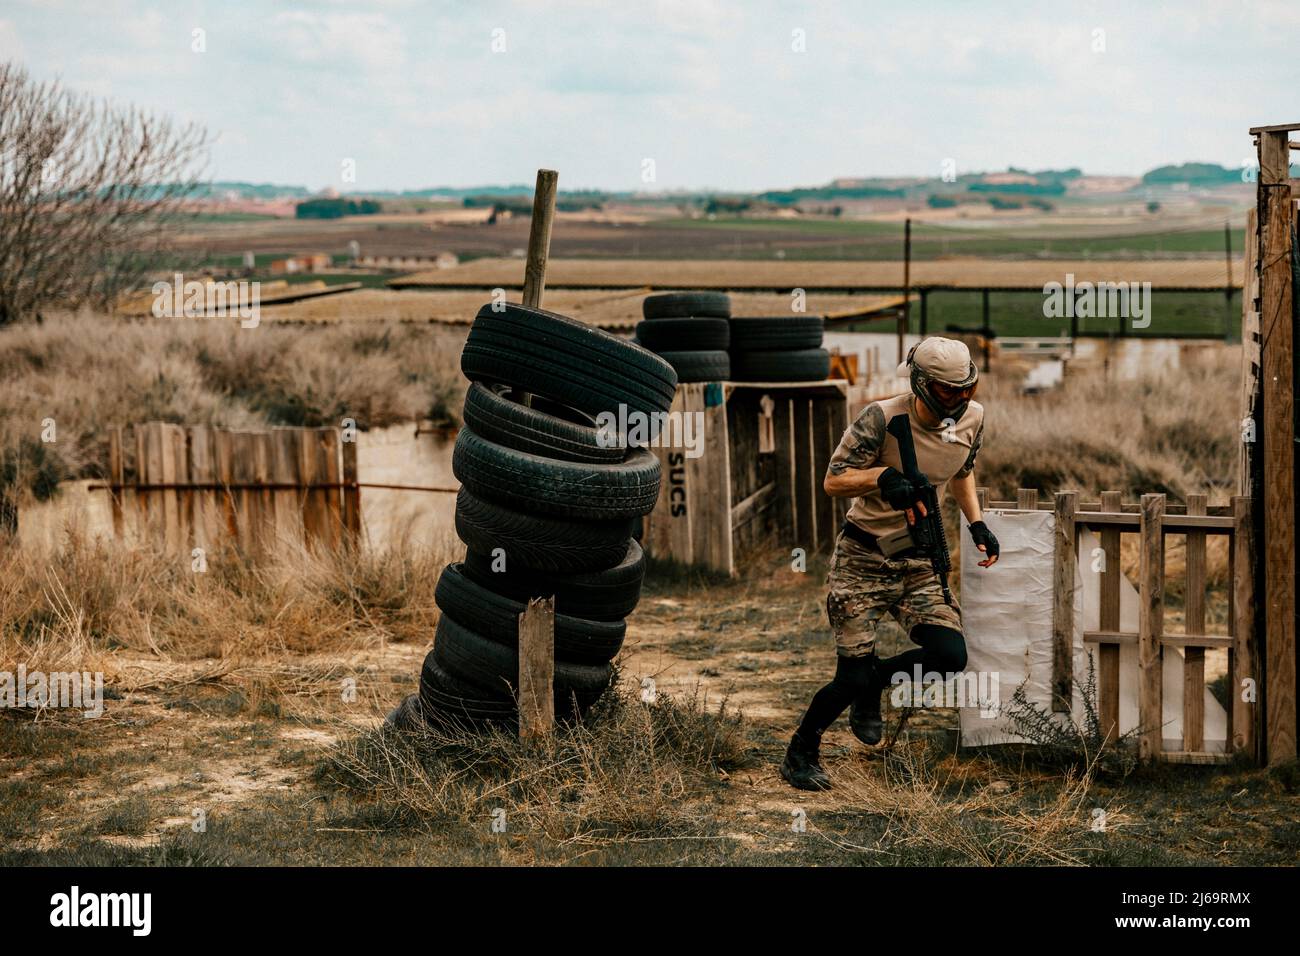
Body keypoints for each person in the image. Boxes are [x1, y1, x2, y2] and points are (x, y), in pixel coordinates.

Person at [780, 336, 1000, 791]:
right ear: (921, 384)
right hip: (863, 559)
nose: (959, 400)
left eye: (967, 390)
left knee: (949, 655)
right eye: (947, 391)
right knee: (849, 677)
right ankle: (802, 749)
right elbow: (833, 481)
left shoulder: (972, 420)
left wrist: (976, 522)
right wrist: (882, 478)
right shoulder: (882, 418)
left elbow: (961, 471)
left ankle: (875, 683)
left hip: (918, 560)